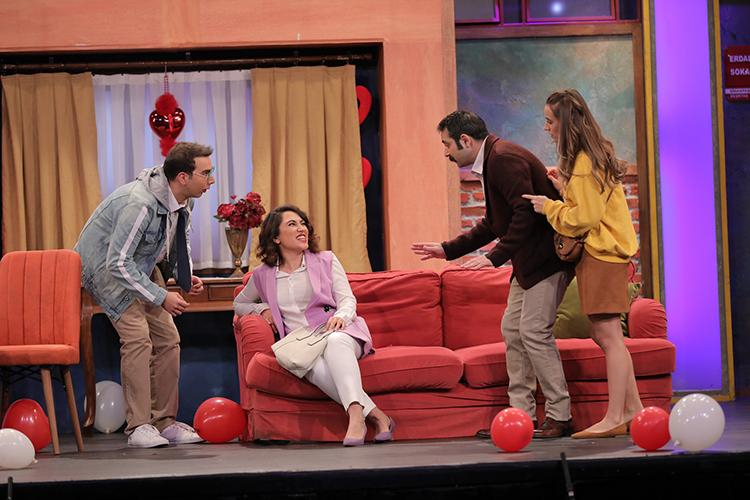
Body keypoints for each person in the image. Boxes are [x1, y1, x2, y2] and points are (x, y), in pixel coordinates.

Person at [412, 111, 573, 438]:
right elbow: (494, 223)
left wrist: (494, 258)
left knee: (533, 331)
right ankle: (521, 417)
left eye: (447, 145)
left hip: (545, 261)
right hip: (527, 263)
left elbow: (526, 214)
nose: (446, 153)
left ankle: (560, 415)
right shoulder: (492, 160)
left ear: (465, 140)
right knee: (513, 329)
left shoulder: (503, 159)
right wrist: (447, 249)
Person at [75, 142, 215, 448]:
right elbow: (116, 262)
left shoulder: (184, 203)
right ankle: (138, 426)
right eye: (206, 173)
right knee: (138, 337)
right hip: (103, 267)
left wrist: (184, 274)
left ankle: (164, 422)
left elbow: (177, 242)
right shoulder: (140, 203)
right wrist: (161, 296)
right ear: (182, 177)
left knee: (168, 338)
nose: (211, 179)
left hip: (138, 264)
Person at [523, 89, 641, 438]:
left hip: (602, 255)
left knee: (608, 335)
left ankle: (615, 416)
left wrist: (549, 207)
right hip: (604, 254)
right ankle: (633, 410)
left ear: (566, 122)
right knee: (606, 334)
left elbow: (583, 219)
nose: (546, 128)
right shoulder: (589, 158)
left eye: (549, 121)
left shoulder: (585, 162)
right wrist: (565, 189)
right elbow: (591, 206)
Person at [233, 205, 394, 446]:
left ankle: (356, 416)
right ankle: (379, 417)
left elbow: (347, 299)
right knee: (310, 363)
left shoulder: (326, 260)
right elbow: (239, 303)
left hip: (338, 330)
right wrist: (261, 309)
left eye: (303, 223)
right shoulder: (262, 274)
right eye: (292, 224)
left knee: (335, 341)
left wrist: (342, 316)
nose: (302, 228)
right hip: (302, 344)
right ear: (276, 237)